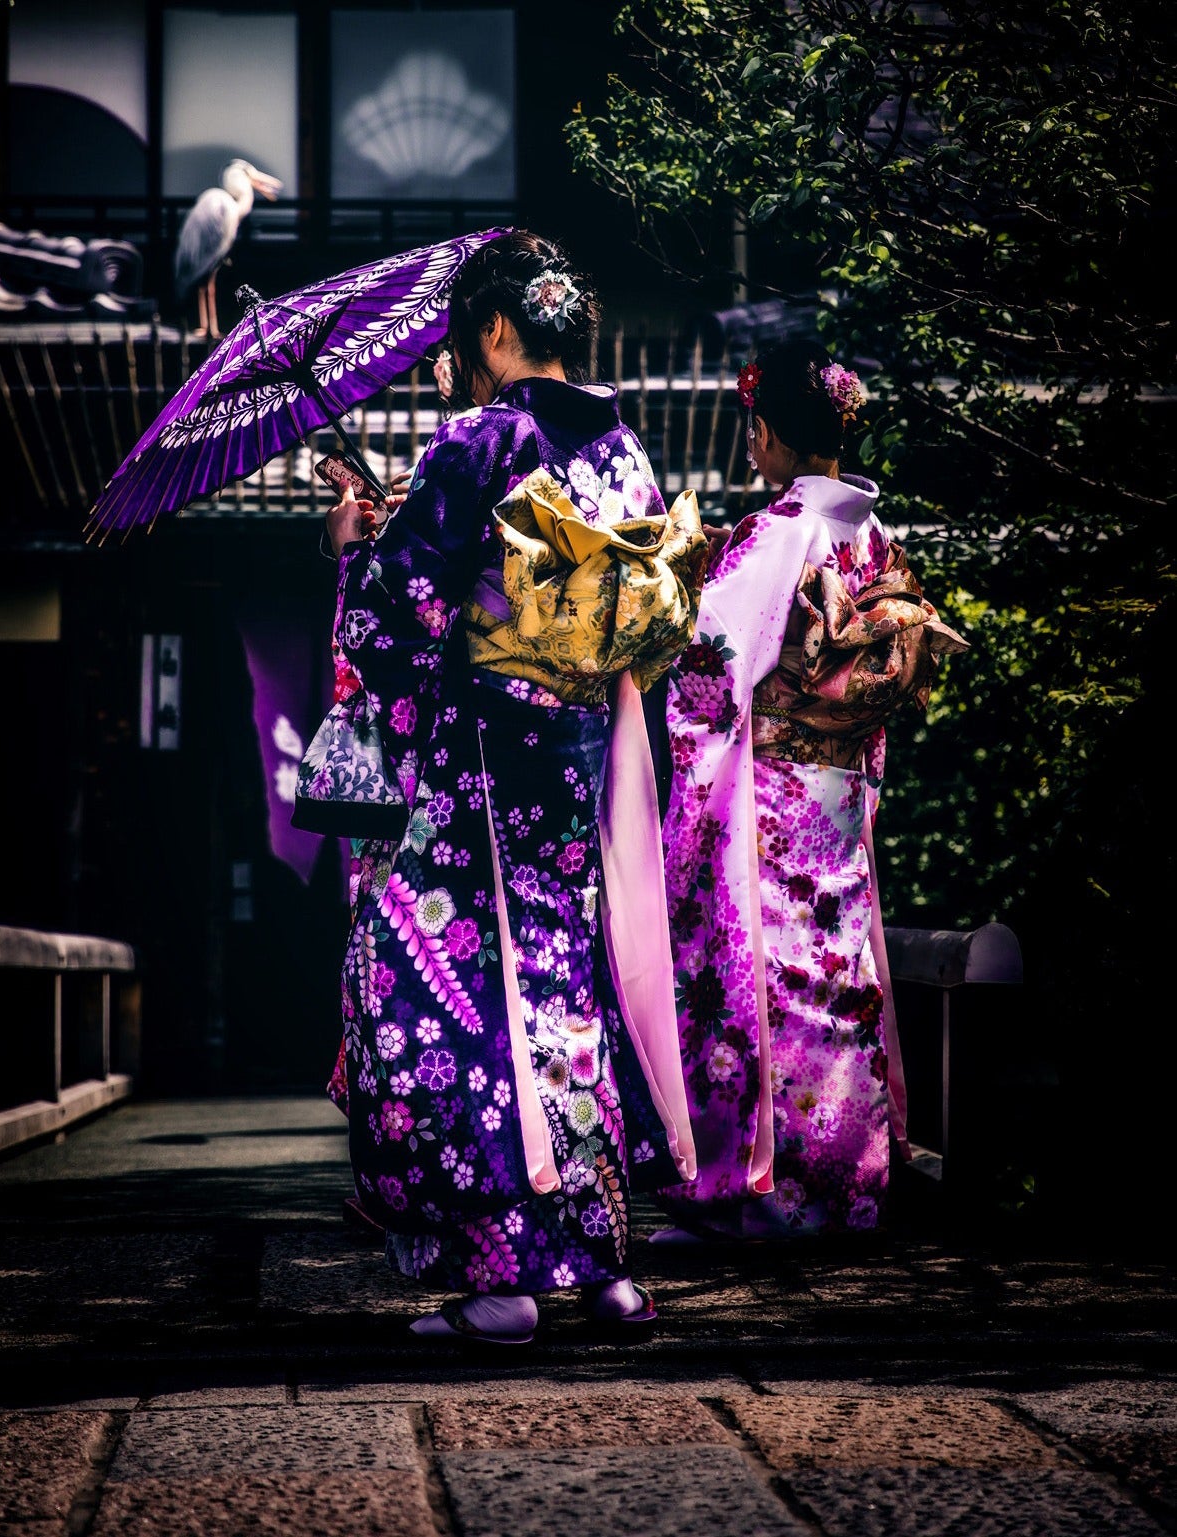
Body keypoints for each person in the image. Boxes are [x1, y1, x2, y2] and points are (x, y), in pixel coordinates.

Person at [321, 230, 703, 1343]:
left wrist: (357, 549)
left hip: (481, 765)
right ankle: (600, 1264)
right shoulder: (625, 453)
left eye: (466, 337)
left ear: (497, 332)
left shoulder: (476, 444)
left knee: (413, 983)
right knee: (558, 986)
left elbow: (391, 629)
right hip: (575, 761)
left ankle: (500, 1278)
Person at [655, 339, 968, 1243]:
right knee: (840, 985)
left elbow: (707, 666)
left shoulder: (772, 533)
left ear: (766, 434)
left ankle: (753, 1192)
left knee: (757, 981)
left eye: (753, 429)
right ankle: (845, 1189)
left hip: (771, 797)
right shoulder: (871, 536)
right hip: (839, 798)